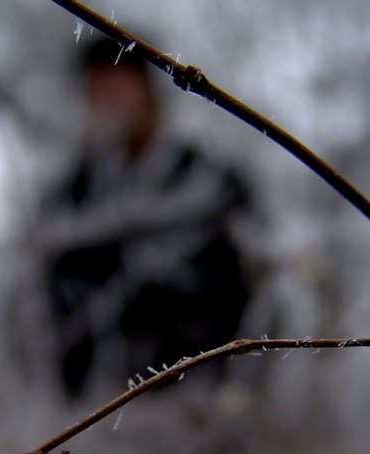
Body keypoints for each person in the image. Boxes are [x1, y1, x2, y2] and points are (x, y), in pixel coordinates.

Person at [38, 36, 251, 399]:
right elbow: (59, 312)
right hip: (103, 412)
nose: (108, 101)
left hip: (207, 398)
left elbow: (248, 284)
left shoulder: (212, 180)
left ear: (149, 90)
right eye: (96, 89)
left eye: (118, 85)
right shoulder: (69, 198)